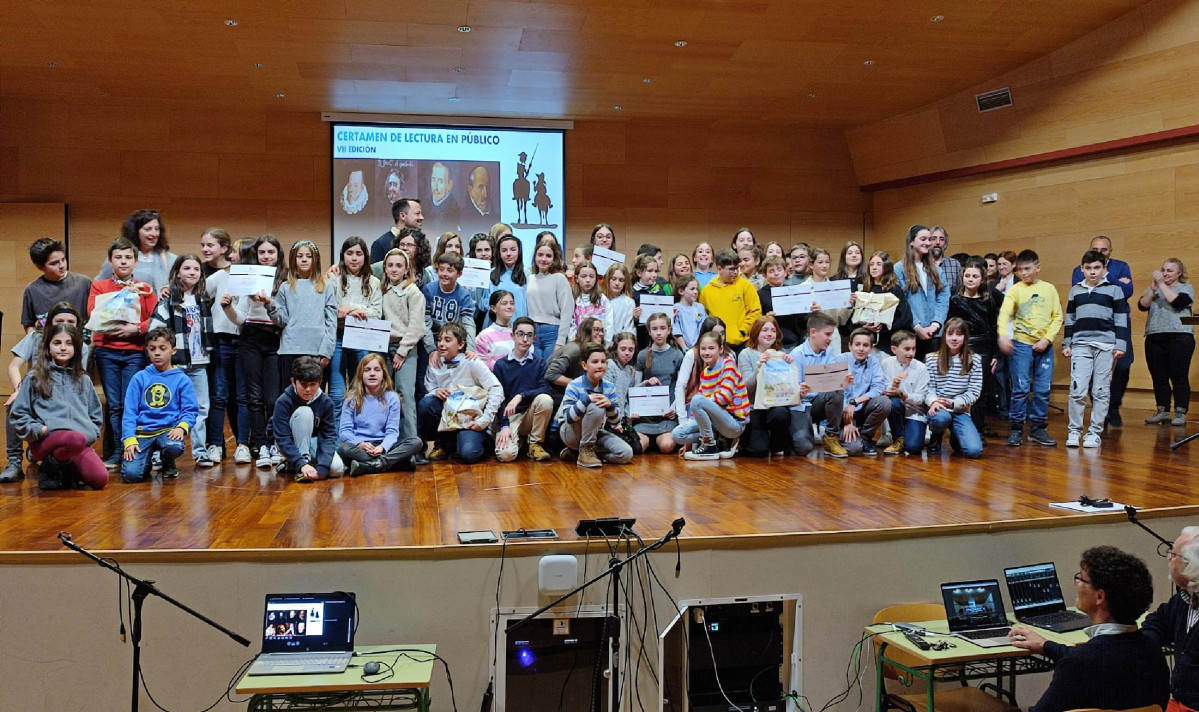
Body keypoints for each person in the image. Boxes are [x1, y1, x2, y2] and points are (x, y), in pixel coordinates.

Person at [1010, 546, 1168, 712]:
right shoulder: (1153, 652)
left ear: (1099, 596)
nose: (1077, 583)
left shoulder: (1079, 663)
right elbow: (1104, 659)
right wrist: (1046, 645)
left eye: (1082, 579)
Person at [89, 237, 158, 471]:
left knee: (131, 403)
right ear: (110, 261)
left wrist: (135, 328)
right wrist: (122, 297)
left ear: (136, 261)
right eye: (118, 257)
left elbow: (154, 320)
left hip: (134, 352)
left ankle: (134, 449)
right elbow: (95, 316)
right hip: (106, 351)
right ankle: (118, 450)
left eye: (128, 257)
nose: (123, 261)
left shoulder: (144, 289)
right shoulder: (99, 287)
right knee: (115, 403)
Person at [10, 325, 106, 490]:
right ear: (48, 346)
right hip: (45, 440)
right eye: (57, 343)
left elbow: (95, 416)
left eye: (69, 343)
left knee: (100, 479)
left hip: (79, 441)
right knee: (74, 439)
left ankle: (65, 467)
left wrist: (91, 432)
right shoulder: (35, 378)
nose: (63, 347)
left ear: (76, 348)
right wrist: (40, 430)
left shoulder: (83, 379)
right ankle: (49, 465)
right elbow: (18, 414)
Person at [267, 241, 338, 457]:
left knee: (313, 399)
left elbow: (331, 320)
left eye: (308, 256)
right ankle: (282, 445)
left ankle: (310, 446)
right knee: (288, 399)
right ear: (293, 260)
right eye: (300, 256)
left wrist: (326, 350)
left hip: (316, 351)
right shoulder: (286, 288)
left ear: (315, 259)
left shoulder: (326, 286)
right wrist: (268, 304)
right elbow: (281, 319)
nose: (304, 259)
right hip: (290, 349)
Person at [3, 302, 88, 482]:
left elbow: (77, 378)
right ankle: (14, 461)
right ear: (50, 323)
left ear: (77, 325)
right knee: (13, 405)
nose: (64, 324)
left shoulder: (81, 346)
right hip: (35, 394)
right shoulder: (35, 338)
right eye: (59, 320)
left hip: (59, 400)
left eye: (70, 321)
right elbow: (14, 366)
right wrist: (19, 390)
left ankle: (51, 452)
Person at [221, 235, 286, 467]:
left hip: (274, 339)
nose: (266, 256)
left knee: (273, 398)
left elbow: (284, 320)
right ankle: (259, 446)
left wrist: (269, 302)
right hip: (250, 338)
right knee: (254, 397)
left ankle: (275, 442)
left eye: (271, 252)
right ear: (256, 255)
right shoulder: (248, 279)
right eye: (262, 253)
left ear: (279, 255)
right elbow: (239, 319)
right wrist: (228, 308)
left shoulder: (285, 280)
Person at [149, 254, 216, 467]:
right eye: (187, 268)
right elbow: (154, 330)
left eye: (196, 269)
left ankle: (200, 452)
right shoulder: (168, 299)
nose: (192, 272)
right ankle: (162, 452)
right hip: (174, 365)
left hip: (199, 362)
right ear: (178, 271)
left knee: (200, 408)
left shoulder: (204, 299)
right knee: (167, 407)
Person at [1063, 250, 1130, 448]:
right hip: (1081, 345)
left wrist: (1120, 345)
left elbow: (1121, 320)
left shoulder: (1114, 290)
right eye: (1088, 268)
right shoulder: (1076, 290)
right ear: (1082, 269)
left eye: (1097, 268)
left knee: (1101, 390)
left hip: (1106, 346)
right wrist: (1068, 343)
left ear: (1104, 269)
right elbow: (1070, 319)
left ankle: (1094, 432)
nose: (1093, 272)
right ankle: (1074, 430)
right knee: (1077, 390)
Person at [999, 249, 1062, 447]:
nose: (1024, 273)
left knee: (1043, 390)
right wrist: (1003, 335)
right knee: (1020, 389)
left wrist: (1047, 339)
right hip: (1022, 344)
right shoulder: (1015, 290)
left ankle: (1038, 429)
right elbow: (1004, 314)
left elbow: (1057, 316)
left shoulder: (1049, 289)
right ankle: (1017, 428)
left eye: (1028, 269)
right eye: (1020, 270)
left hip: (1044, 346)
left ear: (1038, 267)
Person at [416, 323, 503, 465]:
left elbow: (496, 389)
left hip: (470, 419)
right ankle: (442, 444)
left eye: (447, 340)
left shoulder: (472, 362)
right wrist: (435, 391)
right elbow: (428, 390)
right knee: (427, 404)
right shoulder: (435, 363)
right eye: (439, 339)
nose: (441, 344)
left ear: (461, 344)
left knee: (469, 454)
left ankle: (484, 441)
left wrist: (484, 421)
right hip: (448, 417)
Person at [120, 327, 199, 483]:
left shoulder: (182, 379)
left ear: (173, 350)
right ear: (147, 350)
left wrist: (181, 427)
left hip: (168, 431)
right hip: (143, 433)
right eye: (152, 349)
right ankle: (145, 461)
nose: (157, 353)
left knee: (173, 447)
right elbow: (129, 412)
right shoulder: (139, 378)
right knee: (131, 475)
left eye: (162, 348)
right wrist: (129, 439)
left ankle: (167, 460)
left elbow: (190, 410)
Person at [1071, 236, 1135, 427]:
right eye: (1096, 249)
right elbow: (1079, 289)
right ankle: (1101, 410)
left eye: (1104, 249)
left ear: (1110, 252)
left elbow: (1127, 291)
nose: (1100, 252)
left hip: (1118, 322)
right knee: (1092, 370)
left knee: (1122, 366)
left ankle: (1113, 407)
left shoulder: (1122, 266)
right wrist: (1115, 282)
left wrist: (1110, 278)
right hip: (1090, 325)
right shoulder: (1078, 269)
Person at [201, 228, 249, 464]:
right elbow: (199, 293)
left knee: (242, 396)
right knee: (219, 394)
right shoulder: (220, 277)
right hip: (221, 340)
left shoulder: (256, 278)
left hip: (245, 340)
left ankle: (243, 444)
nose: (231, 256)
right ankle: (216, 444)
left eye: (237, 253)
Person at [1142, 527, 1199, 712]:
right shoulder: (1184, 599)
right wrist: (1147, 645)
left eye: (1173, 554)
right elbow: (1157, 622)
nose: (1168, 558)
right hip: (1179, 702)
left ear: (1190, 566)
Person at [338, 353, 422, 477]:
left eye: (377, 370)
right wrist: (359, 443)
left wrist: (383, 447)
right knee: (343, 449)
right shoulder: (351, 399)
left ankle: (374, 465)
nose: (372, 373)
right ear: (361, 374)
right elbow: (344, 431)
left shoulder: (392, 398)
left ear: (383, 374)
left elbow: (392, 432)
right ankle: (396, 463)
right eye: (367, 370)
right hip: (360, 448)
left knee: (416, 442)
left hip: (384, 446)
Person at [672, 331, 750, 460]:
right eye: (703, 348)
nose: (706, 352)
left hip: (734, 423)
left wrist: (704, 402)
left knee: (697, 400)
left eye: (711, 348)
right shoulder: (705, 373)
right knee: (677, 434)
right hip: (715, 423)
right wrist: (691, 428)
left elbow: (724, 397)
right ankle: (714, 439)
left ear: (720, 349)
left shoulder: (728, 364)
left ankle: (709, 445)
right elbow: (697, 407)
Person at [948, 257, 1003, 438]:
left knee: (980, 391)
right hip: (962, 347)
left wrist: (996, 353)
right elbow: (951, 327)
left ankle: (977, 431)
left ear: (982, 279)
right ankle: (958, 430)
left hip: (984, 347)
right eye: (967, 275)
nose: (970, 279)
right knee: (960, 388)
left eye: (975, 276)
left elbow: (994, 327)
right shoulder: (954, 299)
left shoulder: (990, 299)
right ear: (962, 277)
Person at [330, 236, 383, 421]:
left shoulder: (374, 282)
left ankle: (357, 434)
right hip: (337, 336)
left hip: (362, 338)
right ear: (342, 256)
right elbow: (331, 309)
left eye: (358, 254)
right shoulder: (333, 278)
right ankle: (336, 441)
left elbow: (376, 313)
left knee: (360, 389)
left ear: (365, 256)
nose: (354, 258)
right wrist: (347, 312)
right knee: (336, 394)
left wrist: (351, 308)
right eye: (349, 253)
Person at [556, 342, 634, 468]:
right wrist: (586, 400)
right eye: (595, 362)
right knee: (595, 406)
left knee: (626, 454)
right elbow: (568, 418)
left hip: (595, 432)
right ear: (584, 365)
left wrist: (610, 406)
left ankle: (580, 454)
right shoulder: (574, 385)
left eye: (603, 362)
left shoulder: (610, 387)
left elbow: (616, 422)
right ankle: (584, 450)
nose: (600, 365)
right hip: (571, 432)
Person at [1139, 258, 1195, 427]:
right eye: (1163, 269)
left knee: (1179, 375)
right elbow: (1142, 305)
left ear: (1179, 273)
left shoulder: (1186, 288)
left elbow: (1178, 302)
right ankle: (1162, 410)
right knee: (1158, 376)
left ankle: (1180, 412)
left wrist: (1162, 284)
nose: (1165, 273)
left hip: (1180, 336)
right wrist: (1152, 290)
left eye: (1170, 270)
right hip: (1155, 336)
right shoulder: (1154, 288)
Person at [272, 356, 344, 481]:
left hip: (313, 441)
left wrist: (322, 469)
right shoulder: (283, 401)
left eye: (312, 384)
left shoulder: (326, 402)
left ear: (320, 382)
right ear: (293, 382)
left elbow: (328, 436)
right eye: (303, 384)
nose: (308, 389)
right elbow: (282, 437)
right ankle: (301, 463)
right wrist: (302, 464)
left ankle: (293, 464)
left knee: (336, 469)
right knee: (305, 412)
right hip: (288, 442)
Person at [493, 318, 554, 462]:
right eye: (520, 334)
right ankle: (518, 441)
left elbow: (546, 388)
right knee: (506, 456)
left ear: (534, 338)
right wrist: (504, 425)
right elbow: (497, 398)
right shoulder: (500, 365)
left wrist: (521, 395)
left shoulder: (539, 363)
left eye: (529, 335)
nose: (525, 339)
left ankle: (534, 444)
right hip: (509, 416)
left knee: (545, 399)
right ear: (512, 336)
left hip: (530, 414)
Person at [380, 248, 425, 444]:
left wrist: (401, 352)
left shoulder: (413, 292)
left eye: (399, 266)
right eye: (390, 265)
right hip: (382, 347)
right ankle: (390, 442)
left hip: (405, 349)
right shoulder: (380, 290)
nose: (394, 269)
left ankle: (411, 444)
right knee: (386, 396)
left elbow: (416, 327)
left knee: (405, 395)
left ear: (406, 269)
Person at [787, 312, 846, 458]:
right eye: (827, 334)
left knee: (836, 390)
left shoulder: (830, 352)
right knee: (804, 448)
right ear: (813, 332)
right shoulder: (797, 354)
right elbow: (792, 390)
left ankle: (831, 436)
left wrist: (843, 380)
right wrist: (800, 389)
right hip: (800, 404)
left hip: (819, 401)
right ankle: (792, 435)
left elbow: (833, 381)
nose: (830, 339)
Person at [924, 318, 983, 458]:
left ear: (965, 337)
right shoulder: (931, 358)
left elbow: (974, 391)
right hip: (939, 408)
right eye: (950, 334)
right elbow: (928, 387)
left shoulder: (975, 360)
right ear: (944, 336)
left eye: (959, 334)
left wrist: (954, 403)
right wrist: (934, 401)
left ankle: (955, 436)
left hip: (960, 409)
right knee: (941, 419)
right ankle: (936, 435)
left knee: (974, 451)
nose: (954, 338)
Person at [738, 316, 794, 458]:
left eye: (773, 330)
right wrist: (759, 368)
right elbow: (745, 388)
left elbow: (788, 387)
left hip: (775, 405)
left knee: (781, 414)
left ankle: (777, 444)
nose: (769, 334)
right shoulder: (746, 354)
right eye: (765, 330)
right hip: (754, 407)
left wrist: (789, 367)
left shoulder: (783, 355)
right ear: (756, 332)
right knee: (758, 451)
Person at [895, 225, 949, 360]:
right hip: (911, 334)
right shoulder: (899, 268)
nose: (928, 243)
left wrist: (936, 323)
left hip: (935, 333)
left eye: (929, 239)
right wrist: (917, 326)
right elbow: (902, 301)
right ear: (911, 241)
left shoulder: (936, 269)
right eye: (923, 239)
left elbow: (943, 296)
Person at [21, 237, 91, 334]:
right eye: (54, 263)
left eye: (63, 259)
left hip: (81, 344)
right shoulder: (32, 289)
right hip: (48, 345)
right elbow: (29, 324)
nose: (62, 265)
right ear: (40, 267)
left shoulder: (83, 282)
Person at [97, 210, 177, 292]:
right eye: (148, 229)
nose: (154, 234)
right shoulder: (119, 257)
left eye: (157, 229)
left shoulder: (170, 259)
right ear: (135, 232)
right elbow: (99, 285)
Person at [841, 328, 891, 456]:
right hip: (841, 414)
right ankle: (837, 436)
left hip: (860, 409)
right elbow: (834, 394)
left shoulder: (873, 362)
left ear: (871, 348)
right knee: (854, 450)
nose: (861, 349)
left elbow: (878, 388)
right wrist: (848, 422)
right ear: (850, 346)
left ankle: (865, 437)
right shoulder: (840, 361)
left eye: (865, 345)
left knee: (884, 402)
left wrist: (855, 401)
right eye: (857, 344)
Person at [699, 248, 762, 350]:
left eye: (737, 268)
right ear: (719, 269)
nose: (736, 272)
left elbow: (755, 312)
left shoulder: (745, 285)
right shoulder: (706, 291)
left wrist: (743, 330)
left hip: (743, 343)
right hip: (717, 345)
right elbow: (704, 318)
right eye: (731, 269)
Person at [880, 331, 929, 456]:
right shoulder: (886, 364)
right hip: (896, 410)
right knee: (893, 402)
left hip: (914, 412)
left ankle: (908, 434)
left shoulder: (921, 368)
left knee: (913, 448)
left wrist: (903, 394)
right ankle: (898, 439)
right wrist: (892, 388)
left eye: (913, 349)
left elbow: (921, 399)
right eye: (907, 349)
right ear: (894, 349)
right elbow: (883, 388)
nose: (911, 353)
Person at [526, 236, 573, 359]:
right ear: (535, 256)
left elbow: (567, 311)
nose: (543, 259)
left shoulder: (559, 278)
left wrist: (561, 341)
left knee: (548, 371)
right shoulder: (530, 278)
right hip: (532, 331)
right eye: (540, 255)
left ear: (554, 259)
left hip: (552, 332)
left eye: (548, 256)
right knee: (534, 371)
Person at [423, 251, 477, 356]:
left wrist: (470, 348)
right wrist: (432, 350)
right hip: (431, 339)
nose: (444, 274)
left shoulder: (464, 295)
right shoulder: (429, 290)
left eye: (449, 270)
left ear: (459, 273)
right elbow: (425, 323)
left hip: (453, 341)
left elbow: (468, 323)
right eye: (441, 269)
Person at [859, 250, 913, 356]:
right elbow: (857, 317)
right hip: (868, 343)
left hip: (889, 342)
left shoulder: (895, 290)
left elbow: (905, 318)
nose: (874, 267)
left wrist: (883, 327)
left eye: (879, 264)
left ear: (886, 267)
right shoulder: (865, 291)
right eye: (871, 264)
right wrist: (865, 326)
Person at [757, 256, 804, 350]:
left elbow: (803, 320)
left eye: (779, 269)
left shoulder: (794, 291)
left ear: (785, 272)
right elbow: (756, 321)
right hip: (769, 344)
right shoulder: (760, 294)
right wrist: (766, 318)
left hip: (793, 341)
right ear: (764, 275)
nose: (776, 273)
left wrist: (808, 308)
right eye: (771, 271)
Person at [489, 227, 528, 325]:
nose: (509, 254)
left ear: (519, 252)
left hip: (520, 326)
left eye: (513, 250)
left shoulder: (526, 274)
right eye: (504, 250)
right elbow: (483, 304)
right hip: (496, 326)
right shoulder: (491, 274)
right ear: (499, 253)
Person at [371, 198, 423, 264]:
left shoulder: (421, 242)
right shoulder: (381, 244)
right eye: (417, 213)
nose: (421, 217)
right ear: (402, 216)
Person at [569, 261, 608, 341]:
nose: (588, 280)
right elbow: (570, 325)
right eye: (583, 276)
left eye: (591, 276)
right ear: (576, 278)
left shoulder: (602, 299)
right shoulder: (571, 299)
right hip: (577, 344)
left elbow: (608, 326)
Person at [476, 290, 516, 369]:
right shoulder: (484, 336)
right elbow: (481, 365)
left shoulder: (518, 334)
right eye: (504, 303)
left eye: (512, 303)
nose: (509, 306)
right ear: (493, 308)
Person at [671, 275, 707, 351]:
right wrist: (685, 348)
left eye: (696, 289)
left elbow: (703, 328)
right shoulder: (676, 308)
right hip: (683, 349)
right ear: (681, 291)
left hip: (699, 348)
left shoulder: (700, 307)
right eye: (692, 289)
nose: (696, 292)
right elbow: (676, 330)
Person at [424, 161, 461, 233]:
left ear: (449, 185)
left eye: (440, 181)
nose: (436, 186)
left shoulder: (454, 209)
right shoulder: (424, 206)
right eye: (433, 180)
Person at [603, 263, 636, 342]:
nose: (617, 283)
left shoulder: (629, 302)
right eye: (613, 279)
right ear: (608, 280)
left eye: (621, 280)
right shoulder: (600, 299)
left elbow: (628, 327)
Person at [928, 226, 962, 293]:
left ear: (945, 243)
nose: (938, 242)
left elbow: (960, 290)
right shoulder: (920, 264)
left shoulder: (955, 264)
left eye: (942, 239)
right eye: (933, 238)